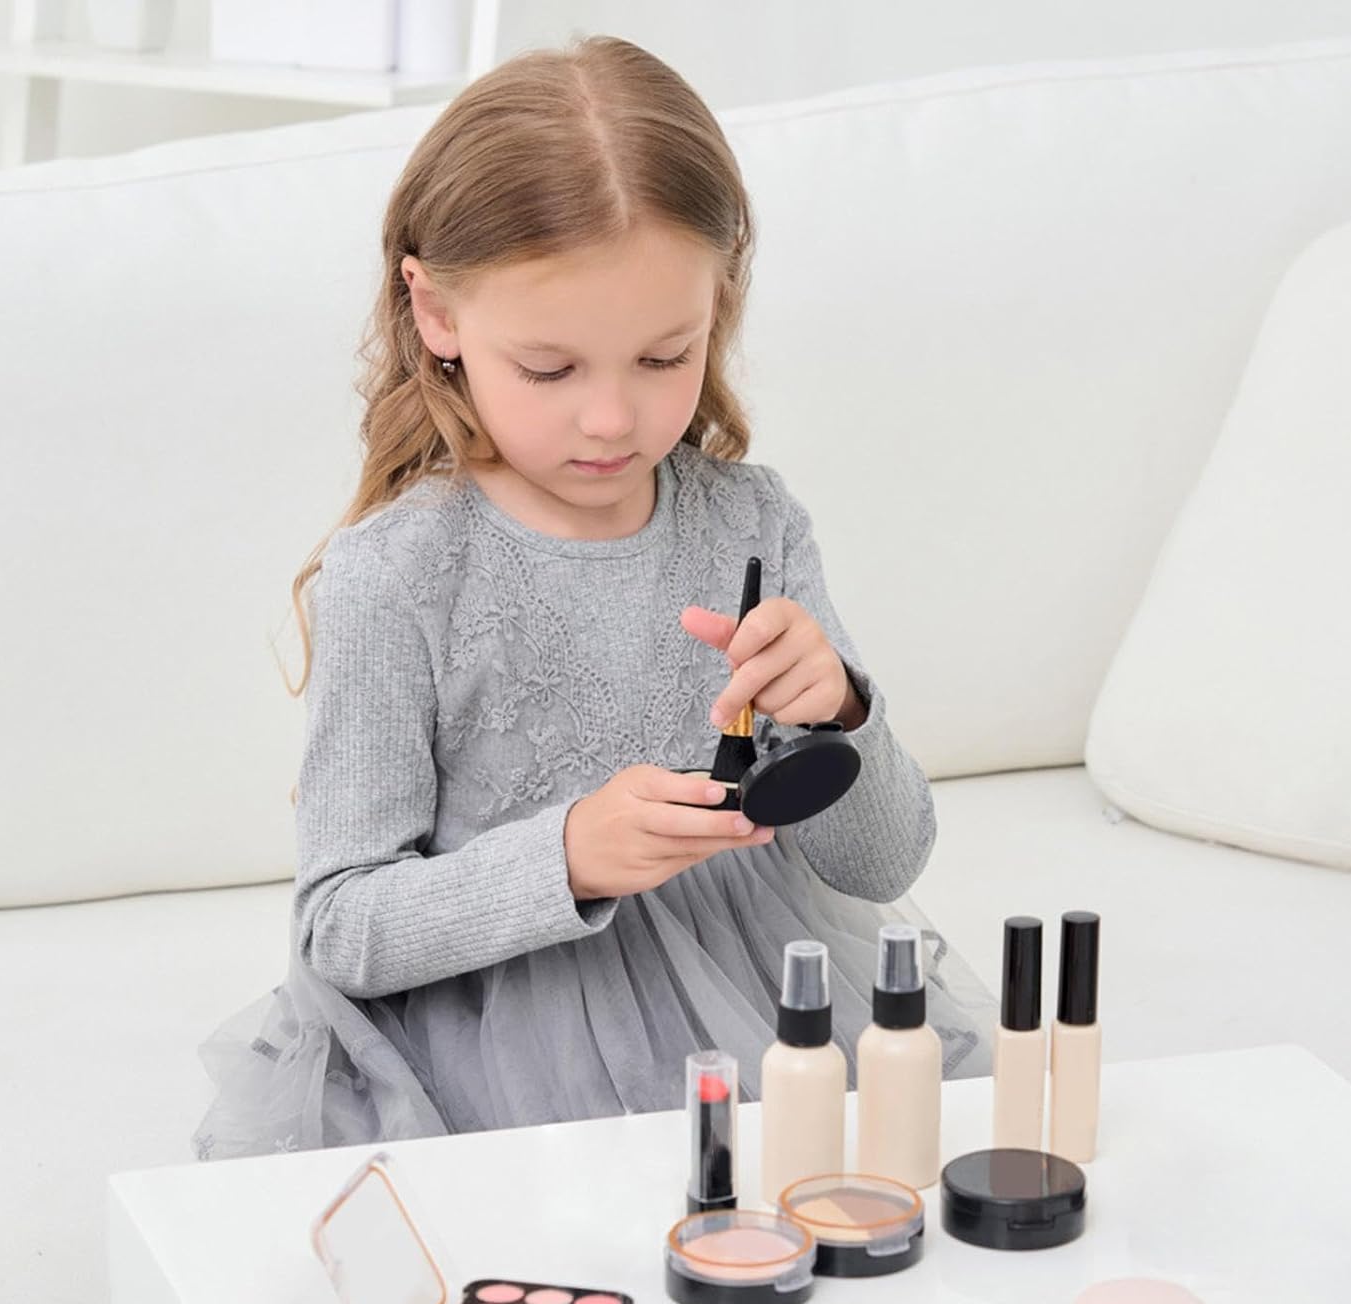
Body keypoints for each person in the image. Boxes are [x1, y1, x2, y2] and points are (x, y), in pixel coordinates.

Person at [193, 36, 994, 1160]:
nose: (613, 420)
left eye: (665, 358)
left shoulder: (753, 524)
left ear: (718, 302)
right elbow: (341, 930)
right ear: (436, 313)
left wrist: (841, 713)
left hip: (763, 1023)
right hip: (494, 1054)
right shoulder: (401, 574)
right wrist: (564, 856)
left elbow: (883, 864)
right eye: (551, 369)